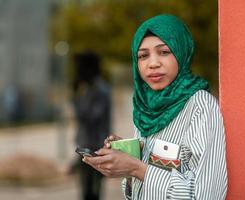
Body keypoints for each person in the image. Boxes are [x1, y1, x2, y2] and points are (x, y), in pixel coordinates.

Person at [83, 14, 227, 199]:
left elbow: (207, 195)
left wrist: (137, 168)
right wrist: (131, 157)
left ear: (182, 52)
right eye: (143, 56)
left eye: (164, 52)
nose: (153, 63)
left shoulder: (199, 105)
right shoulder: (145, 107)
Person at [72, 51, 111, 200]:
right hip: (87, 145)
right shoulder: (90, 88)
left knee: (93, 192)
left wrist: (74, 97)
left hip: (96, 147)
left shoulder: (99, 89)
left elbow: (90, 116)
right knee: (86, 191)